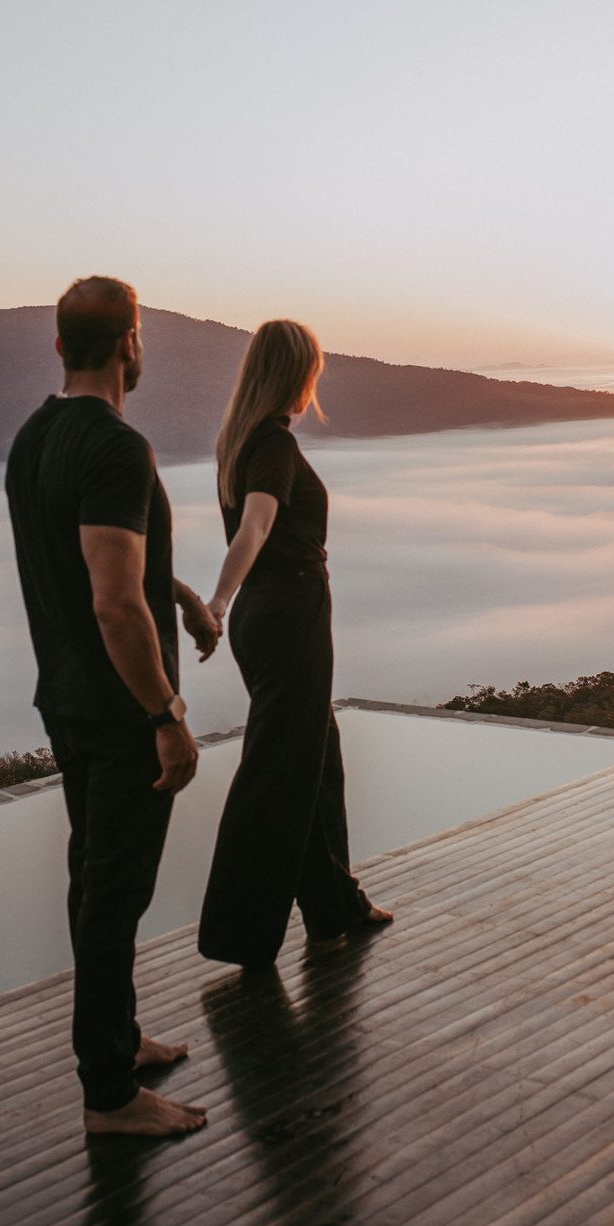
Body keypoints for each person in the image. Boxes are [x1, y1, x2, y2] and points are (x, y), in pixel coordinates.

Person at [5, 276, 220, 1137]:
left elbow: (105, 562)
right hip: (118, 708)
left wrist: (178, 594)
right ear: (131, 343)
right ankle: (109, 1096)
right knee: (113, 893)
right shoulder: (116, 447)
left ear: (61, 347)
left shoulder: (34, 439)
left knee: (91, 878)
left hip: (63, 696)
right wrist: (165, 713)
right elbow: (111, 602)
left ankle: (119, 1041)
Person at [197, 319, 392, 969]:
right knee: (280, 771)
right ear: (296, 373)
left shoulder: (239, 440)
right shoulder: (274, 444)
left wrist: (231, 606)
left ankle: (333, 905)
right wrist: (217, 601)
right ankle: (240, 932)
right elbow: (255, 526)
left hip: (265, 615)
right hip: (290, 610)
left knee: (315, 757)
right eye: (313, 369)